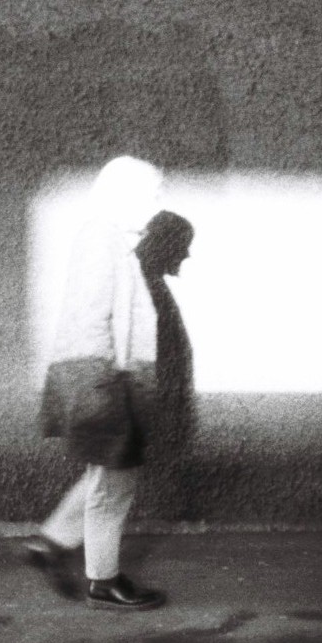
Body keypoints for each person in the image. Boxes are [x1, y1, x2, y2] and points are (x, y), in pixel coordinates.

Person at [25, 157, 194, 610]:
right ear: (124, 191)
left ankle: (51, 542)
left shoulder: (114, 239)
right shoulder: (101, 238)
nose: (156, 204)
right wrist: (105, 390)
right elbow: (89, 319)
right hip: (104, 380)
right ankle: (104, 581)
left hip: (109, 379)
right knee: (115, 485)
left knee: (105, 472)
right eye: (151, 193)